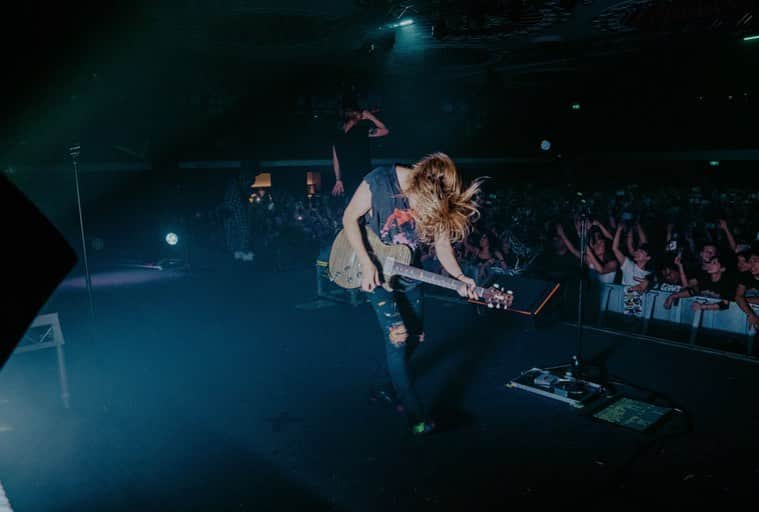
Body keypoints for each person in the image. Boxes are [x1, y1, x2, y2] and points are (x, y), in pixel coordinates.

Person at [341, 153, 483, 436]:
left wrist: (459, 277)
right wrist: (367, 262)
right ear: (415, 185)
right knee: (398, 336)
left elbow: (443, 247)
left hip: (408, 275)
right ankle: (417, 417)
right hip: (374, 270)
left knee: (416, 337)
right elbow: (348, 218)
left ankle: (383, 385)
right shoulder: (379, 182)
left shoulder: (438, 193)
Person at [331, 105, 389, 198]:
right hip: (364, 178)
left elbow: (336, 161)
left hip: (348, 179)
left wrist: (338, 179)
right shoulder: (360, 130)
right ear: (355, 116)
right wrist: (371, 117)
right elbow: (385, 130)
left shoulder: (338, 136)